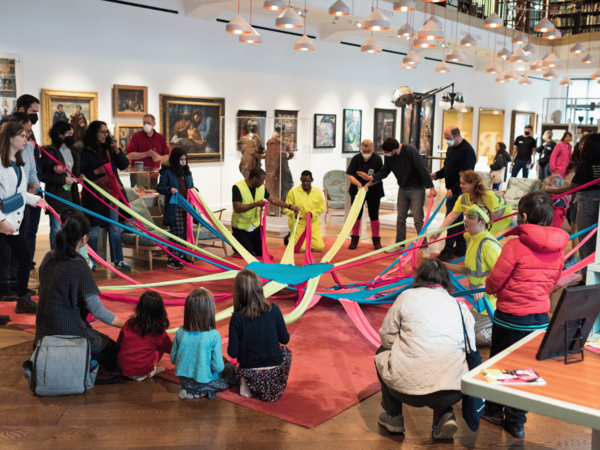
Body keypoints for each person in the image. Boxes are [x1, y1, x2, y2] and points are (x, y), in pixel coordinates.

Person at [483, 191, 569, 439]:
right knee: (524, 371)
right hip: (539, 319)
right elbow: (555, 280)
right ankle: (517, 422)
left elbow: (493, 284)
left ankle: (493, 410)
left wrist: (492, 289)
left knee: (500, 364)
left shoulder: (514, 246)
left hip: (510, 317)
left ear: (523, 215)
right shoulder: (560, 248)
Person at [375, 259, 475, 440]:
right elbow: (470, 347)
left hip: (403, 389)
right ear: (446, 280)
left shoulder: (406, 296)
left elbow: (386, 338)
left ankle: (393, 416)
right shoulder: (460, 306)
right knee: (451, 360)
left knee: (381, 352)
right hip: (452, 392)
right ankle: (445, 415)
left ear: (419, 277)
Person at [34, 214, 126, 370]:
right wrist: (128, 325)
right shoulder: (79, 266)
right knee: (115, 352)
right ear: (84, 238)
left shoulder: (49, 257)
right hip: (69, 334)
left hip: (41, 340)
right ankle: (76, 362)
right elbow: (96, 310)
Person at [362, 137, 437, 257]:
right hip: (402, 188)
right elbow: (385, 171)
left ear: (395, 150)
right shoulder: (389, 155)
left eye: (387, 153)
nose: (386, 155)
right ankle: (400, 244)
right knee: (400, 218)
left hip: (416, 187)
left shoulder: (410, 151)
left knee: (418, 219)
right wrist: (372, 178)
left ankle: (424, 246)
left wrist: (431, 187)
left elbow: (422, 169)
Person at [0, 121, 45, 318]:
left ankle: (22, 300)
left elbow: (20, 194)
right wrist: (0, 221)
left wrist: (38, 201)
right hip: (4, 222)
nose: (26, 139)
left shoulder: (17, 163)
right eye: (22, 136)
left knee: (25, 257)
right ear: (10, 138)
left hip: (13, 223)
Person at [228, 270, 291, 402]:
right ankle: (271, 385)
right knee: (286, 352)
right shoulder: (274, 309)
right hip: (273, 374)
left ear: (238, 292)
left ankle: (248, 386)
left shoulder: (237, 317)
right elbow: (285, 339)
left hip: (250, 373)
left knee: (237, 363)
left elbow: (233, 353)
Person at [443, 205, 501, 346]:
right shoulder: (474, 239)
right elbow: (472, 270)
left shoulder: (488, 244)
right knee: (462, 330)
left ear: (482, 222)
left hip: (491, 303)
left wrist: (484, 285)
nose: (465, 220)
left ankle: (506, 331)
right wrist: (447, 266)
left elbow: (502, 273)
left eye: (470, 217)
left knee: (471, 336)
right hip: (480, 300)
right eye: (465, 216)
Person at [546, 133, 600, 281]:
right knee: (595, 243)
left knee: (585, 242)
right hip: (597, 203)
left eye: (583, 144)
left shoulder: (586, 165)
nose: (580, 146)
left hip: (587, 203)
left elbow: (571, 189)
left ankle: (585, 279)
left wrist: (547, 191)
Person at [79, 121, 131, 271]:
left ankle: (118, 261)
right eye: (102, 132)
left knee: (115, 227)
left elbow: (124, 165)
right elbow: (81, 174)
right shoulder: (86, 150)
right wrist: (97, 171)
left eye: (107, 132)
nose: (105, 135)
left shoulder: (109, 148)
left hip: (112, 193)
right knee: (94, 230)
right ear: (94, 133)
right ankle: (92, 261)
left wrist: (118, 151)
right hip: (95, 196)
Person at [171, 288, 236, 399]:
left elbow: (173, 359)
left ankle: (187, 390)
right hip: (205, 383)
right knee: (230, 369)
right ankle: (200, 392)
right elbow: (219, 367)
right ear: (210, 311)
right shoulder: (214, 335)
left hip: (185, 381)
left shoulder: (180, 331)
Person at [431, 126, 476, 262]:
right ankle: (461, 247)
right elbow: (448, 168)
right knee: (457, 221)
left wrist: (455, 189)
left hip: (459, 191)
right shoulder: (451, 148)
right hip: (453, 189)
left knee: (451, 220)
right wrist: (436, 175)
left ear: (456, 136)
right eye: (445, 138)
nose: (446, 141)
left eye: (448, 138)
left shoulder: (467, 151)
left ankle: (448, 250)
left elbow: (466, 175)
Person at [231, 168, 299, 258]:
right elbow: (238, 208)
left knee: (260, 252)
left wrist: (290, 206)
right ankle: (235, 241)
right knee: (248, 253)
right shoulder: (238, 187)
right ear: (254, 179)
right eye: (261, 181)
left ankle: (248, 241)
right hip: (241, 226)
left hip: (255, 225)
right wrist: (256, 204)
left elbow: (273, 199)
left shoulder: (261, 187)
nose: (263, 183)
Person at [431, 170, 513, 242]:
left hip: (503, 216)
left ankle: (483, 254)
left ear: (473, 184)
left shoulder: (487, 195)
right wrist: (439, 231)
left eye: (463, 183)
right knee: (468, 235)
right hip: (486, 217)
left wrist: (481, 224)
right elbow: (452, 215)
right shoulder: (462, 198)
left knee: (477, 235)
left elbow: (497, 213)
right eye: (460, 183)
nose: (460, 186)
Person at [41, 120, 81, 249]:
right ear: (60, 135)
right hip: (56, 195)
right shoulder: (50, 151)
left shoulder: (74, 151)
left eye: (72, 133)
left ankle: (66, 255)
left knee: (69, 228)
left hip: (71, 195)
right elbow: (44, 176)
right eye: (69, 133)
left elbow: (74, 171)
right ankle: (55, 255)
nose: (72, 136)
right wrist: (63, 180)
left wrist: (79, 177)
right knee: (56, 228)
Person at [117, 291, 173, 381]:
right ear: (160, 310)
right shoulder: (158, 332)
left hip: (122, 368)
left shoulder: (129, 323)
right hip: (140, 372)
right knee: (161, 345)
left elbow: (119, 342)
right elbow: (171, 349)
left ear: (139, 307)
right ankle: (150, 371)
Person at [156, 147, 194, 270]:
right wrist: (169, 189)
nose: (183, 161)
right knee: (177, 232)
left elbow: (191, 187)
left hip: (186, 206)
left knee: (184, 232)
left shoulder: (187, 173)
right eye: (181, 159)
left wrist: (195, 192)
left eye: (185, 159)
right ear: (175, 159)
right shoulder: (167, 172)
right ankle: (173, 259)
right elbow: (159, 188)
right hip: (174, 206)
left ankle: (181, 256)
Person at [346, 140, 384, 250]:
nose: (366, 153)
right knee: (356, 214)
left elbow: (379, 176)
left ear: (372, 149)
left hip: (373, 190)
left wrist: (368, 184)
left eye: (368, 151)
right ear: (361, 149)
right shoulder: (356, 158)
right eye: (363, 151)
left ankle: (376, 240)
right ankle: (354, 239)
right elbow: (350, 175)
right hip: (357, 189)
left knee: (374, 214)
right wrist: (358, 183)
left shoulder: (377, 159)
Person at [282, 170, 325, 252]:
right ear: (300, 179)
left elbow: (321, 208)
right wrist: (293, 214)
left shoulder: (317, 192)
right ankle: (288, 238)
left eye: (308, 181)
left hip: (313, 223)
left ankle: (294, 237)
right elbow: (286, 208)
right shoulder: (293, 192)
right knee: (300, 249)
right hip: (298, 223)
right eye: (303, 181)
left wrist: (313, 214)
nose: (305, 183)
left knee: (319, 248)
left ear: (312, 180)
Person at [126, 114, 170, 189]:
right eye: (144, 123)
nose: (146, 125)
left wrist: (159, 157)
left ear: (154, 124)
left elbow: (167, 156)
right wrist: (146, 154)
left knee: (152, 198)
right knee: (138, 198)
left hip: (153, 175)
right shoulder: (136, 136)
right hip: (137, 175)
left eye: (148, 123)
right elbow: (130, 155)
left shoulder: (160, 137)